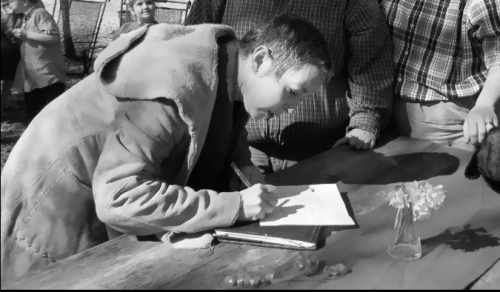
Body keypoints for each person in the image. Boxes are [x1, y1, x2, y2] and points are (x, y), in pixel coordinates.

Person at [0, 14, 332, 286]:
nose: (293, 108)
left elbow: (224, 133)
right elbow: (119, 197)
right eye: (293, 92)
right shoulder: (175, 81)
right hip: (53, 207)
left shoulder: (231, 74)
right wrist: (234, 204)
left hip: (93, 205)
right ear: (260, 59)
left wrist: (243, 169)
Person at [186, 0, 394, 175]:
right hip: (238, 145)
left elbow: (371, 66)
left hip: (318, 151)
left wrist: (364, 122)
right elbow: (195, 45)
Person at [380, 0, 500, 151]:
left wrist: (484, 105)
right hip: (381, 113)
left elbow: (497, 60)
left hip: (444, 125)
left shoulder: (478, 4)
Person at [10, 0, 66, 121]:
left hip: (47, 74)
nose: (8, 4)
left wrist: (25, 33)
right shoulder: (27, 16)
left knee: (55, 112)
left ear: (24, 2)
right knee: (33, 111)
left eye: (11, 1)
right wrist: (21, 39)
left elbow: (52, 38)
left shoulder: (40, 13)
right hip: (32, 74)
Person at [0, 2, 22, 116]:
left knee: (6, 81)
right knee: (6, 81)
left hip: (11, 47)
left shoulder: (21, 5)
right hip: (9, 46)